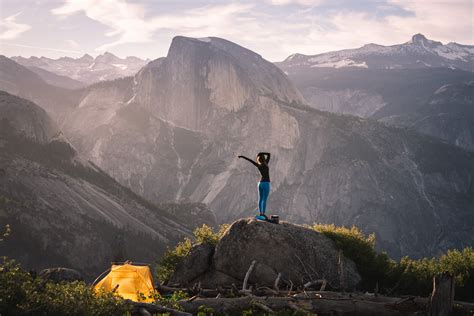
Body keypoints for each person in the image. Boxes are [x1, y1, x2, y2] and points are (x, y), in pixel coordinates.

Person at [238, 152, 271, 220]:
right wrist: (261, 153)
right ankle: (263, 215)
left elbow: (249, 160)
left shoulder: (259, 165)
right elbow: (269, 154)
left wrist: (242, 156)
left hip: (260, 183)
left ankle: (261, 214)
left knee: (260, 199)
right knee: (264, 199)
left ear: (259, 159)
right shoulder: (266, 164)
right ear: (264, 158)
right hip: (266, 183)